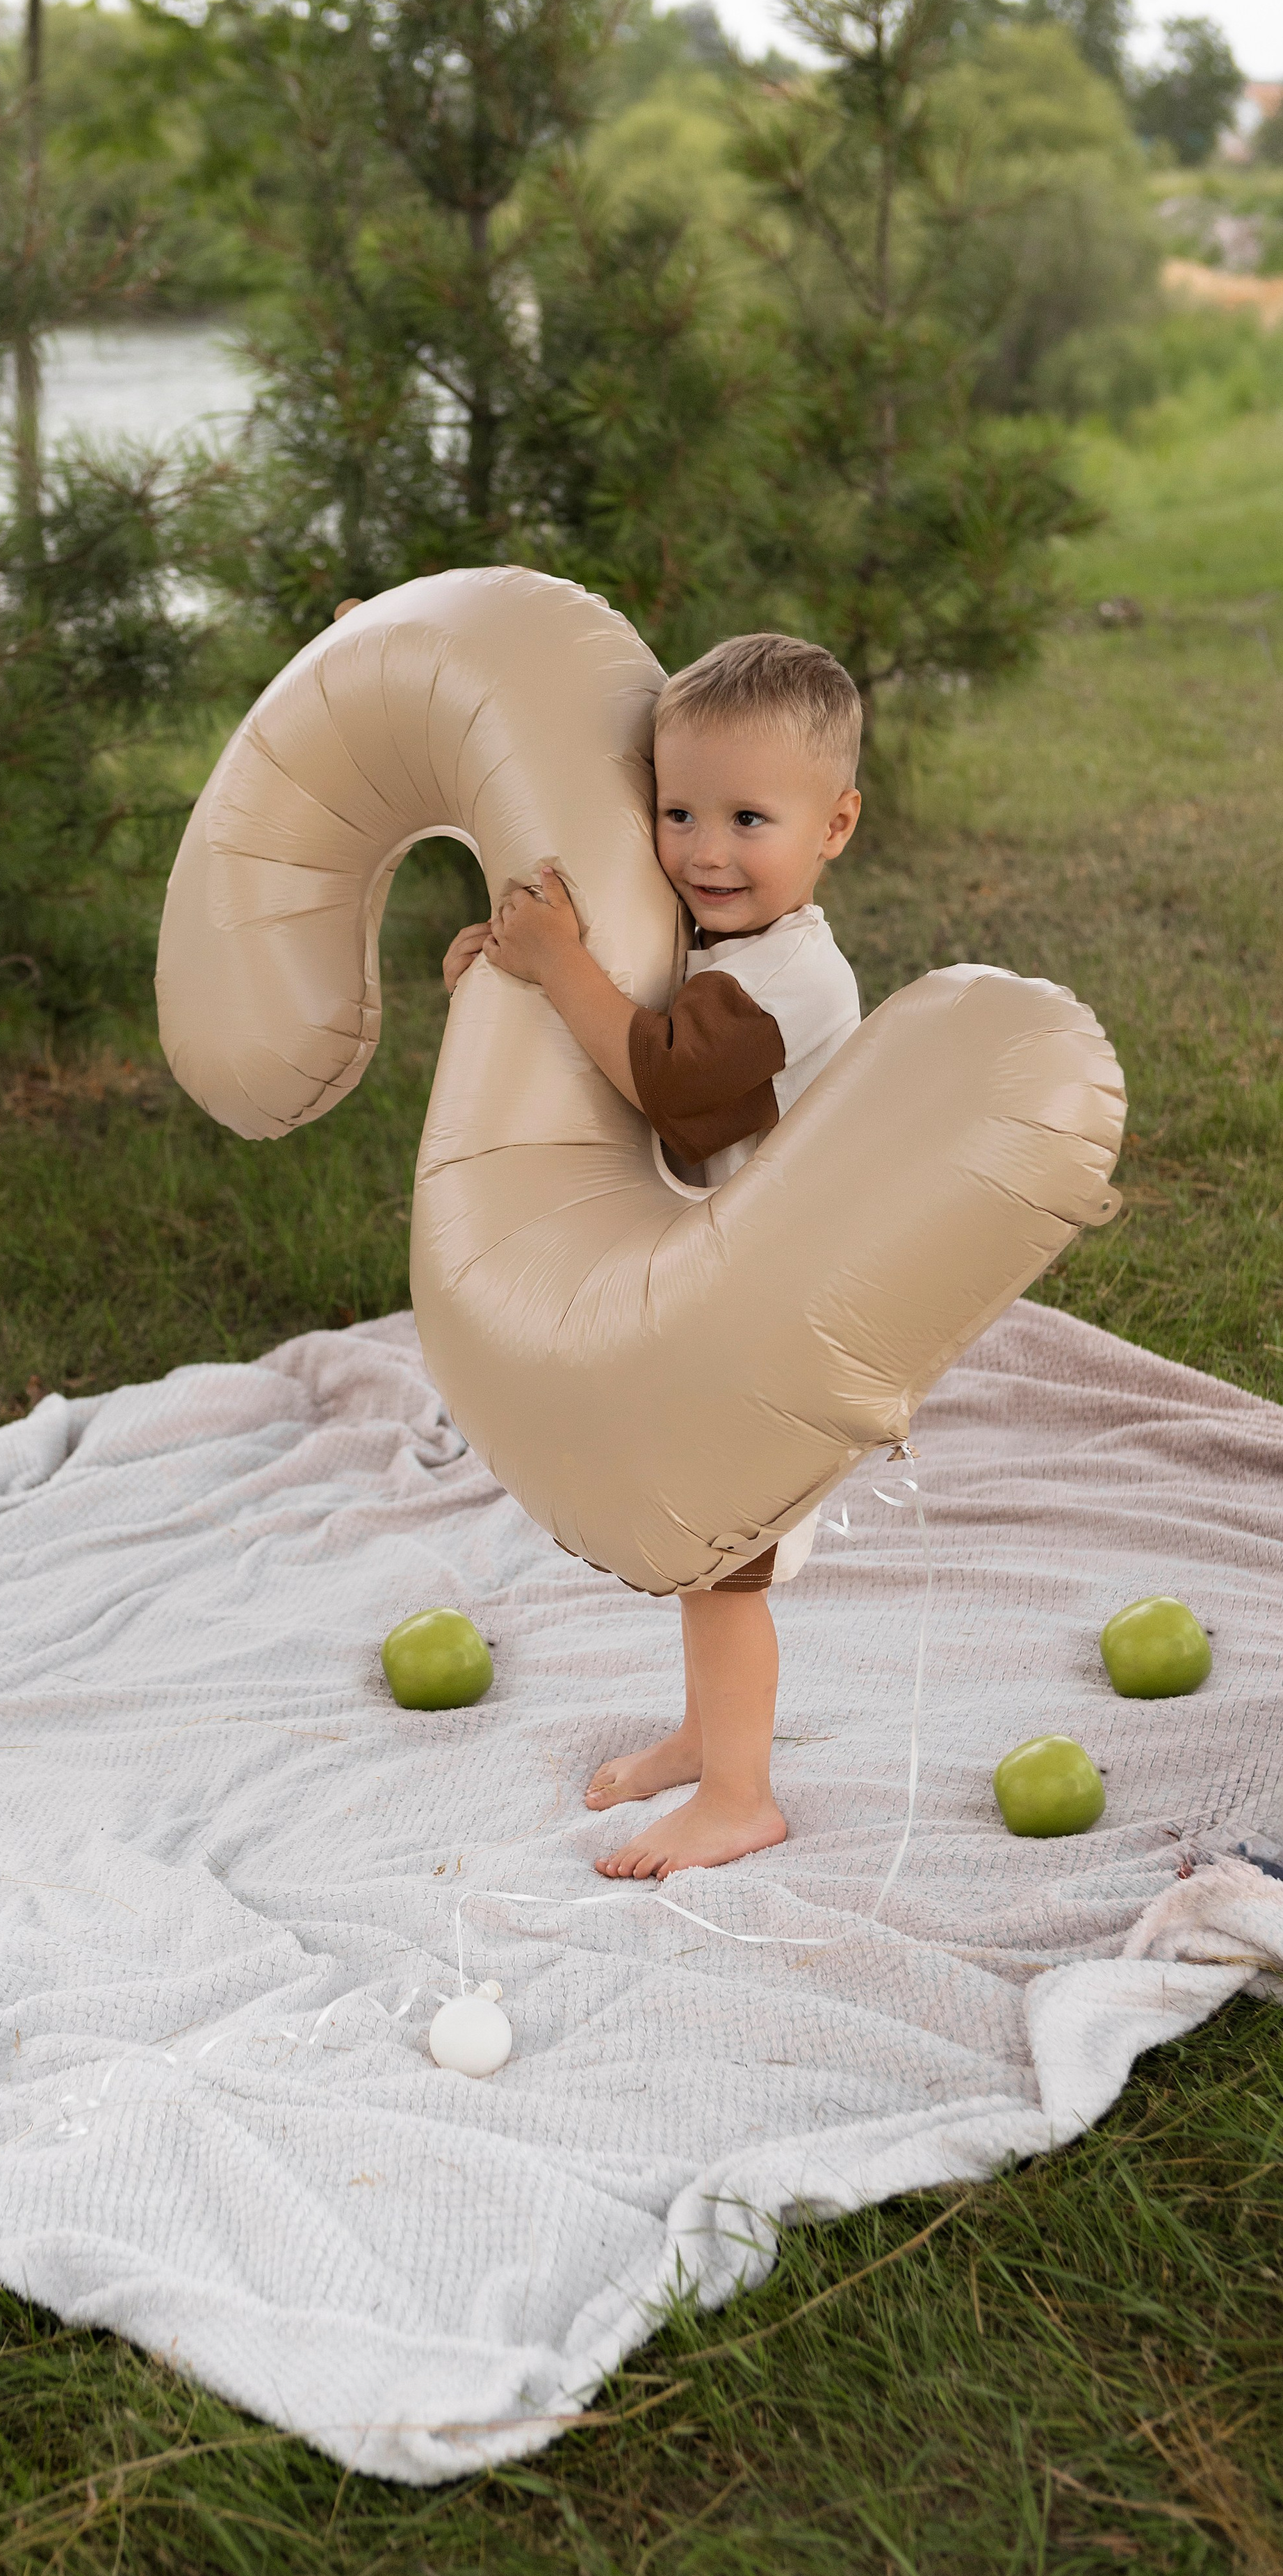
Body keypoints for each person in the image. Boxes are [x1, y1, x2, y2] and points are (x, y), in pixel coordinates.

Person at [439, 632, 864, 1877]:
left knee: (730, 1564)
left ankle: (740, 1796)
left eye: (748, 817)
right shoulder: (718, 946)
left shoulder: (789, 984)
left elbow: (664, 1080)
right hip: (718, 1296)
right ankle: (703, 1735)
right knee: (700, 1547)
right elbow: (620, 1019)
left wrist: (558, 965)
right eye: (678, 812)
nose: (706, 851)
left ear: (834, 824)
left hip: (779, 1319)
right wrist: (510, 984)